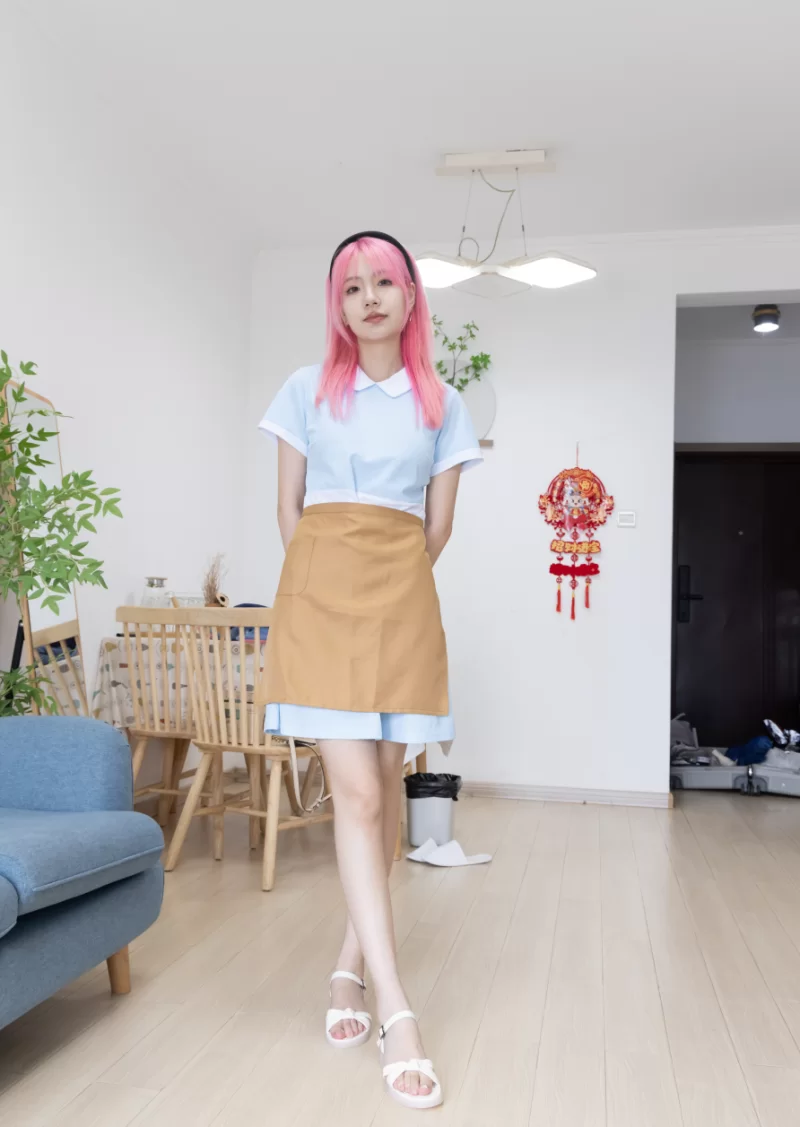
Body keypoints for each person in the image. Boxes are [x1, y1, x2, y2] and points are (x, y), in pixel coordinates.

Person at [258, 231, 482, 1110]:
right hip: (319, 597)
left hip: (403, 598)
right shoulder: (304, 389)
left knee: (383, 795)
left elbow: (438, 525)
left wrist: (388, 581)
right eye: (352, 287)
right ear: (337, 305)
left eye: (383, 282)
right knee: (354, 794)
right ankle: (398, 1008)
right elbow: (288, 506)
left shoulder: (443, 402)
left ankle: (348, 966)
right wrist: (319, 582)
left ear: (410, 295)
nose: (369, 298)